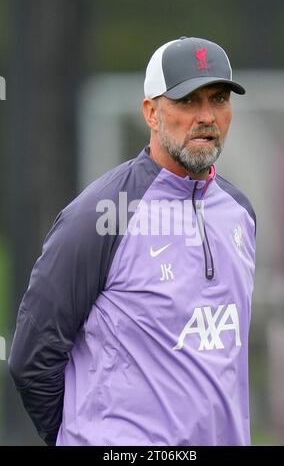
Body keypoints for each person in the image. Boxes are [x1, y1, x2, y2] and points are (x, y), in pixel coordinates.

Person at [9, 36, 256, 446]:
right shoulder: (100, 215)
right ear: (151, 113)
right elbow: (31, 360)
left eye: (218, 99)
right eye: (187, 101)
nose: (207, 116)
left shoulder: (240, 212)